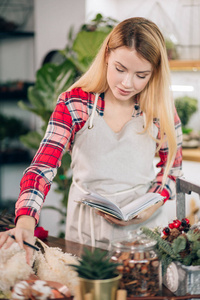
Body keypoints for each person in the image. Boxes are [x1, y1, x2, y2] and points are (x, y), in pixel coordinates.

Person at [0, 17, 182, 263]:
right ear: (107, 55)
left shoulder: (160, 108)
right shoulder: (75, 103)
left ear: (154, 72)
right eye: (120, 69)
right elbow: (43, 167)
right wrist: (25, 221)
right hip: (86, 232)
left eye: (141, 75)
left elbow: (172, 170)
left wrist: (152, 205)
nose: (127, 83)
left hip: (143, 234)